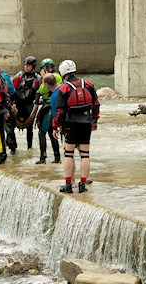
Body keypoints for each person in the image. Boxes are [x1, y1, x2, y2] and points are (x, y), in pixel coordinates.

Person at [53, 60, 99, 194]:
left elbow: (60, 111)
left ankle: (68, 185)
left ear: (63, 73)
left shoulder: (64, 88)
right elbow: (96, 105)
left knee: (69, 153)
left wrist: (55, 126)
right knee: (85, 155)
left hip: (70, 124)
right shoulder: (89, 84)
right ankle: (82, 184)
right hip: (86, 123)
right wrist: (95, 120)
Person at [35, 58, 62, 164]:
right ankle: (56, 157)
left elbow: (42, 90)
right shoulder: (57, 75)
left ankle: (43, 158)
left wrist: (43, 77)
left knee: (42, 132)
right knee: (51, 132)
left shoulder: (53, 76)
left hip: (50, 107)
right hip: (48, 105)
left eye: (43, 68)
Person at [12, 56, 41, 150]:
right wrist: (13, 103)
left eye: (28, 65)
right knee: (12, 125)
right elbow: (12, 89)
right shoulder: (19, 76)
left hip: (29, 103)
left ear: (33, 66)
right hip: (19, 103)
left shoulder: (37, 78)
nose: (26, 67)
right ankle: (13, 148)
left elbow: (40, 91)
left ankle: (29, 147)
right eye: (25, 65)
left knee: (30, 127)